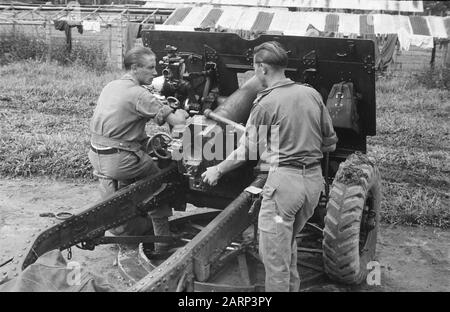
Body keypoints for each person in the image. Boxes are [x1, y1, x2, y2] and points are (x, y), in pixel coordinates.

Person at [201, 41, 337, 291]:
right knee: (286, 246)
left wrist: (217, 169)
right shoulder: (311, 94)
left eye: (255, 69)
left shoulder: (265, 103)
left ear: (262, 68)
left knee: (273, 260)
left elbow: (247, 151)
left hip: (284, 189)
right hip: (312, 185)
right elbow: (330, 143)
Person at [88, 46, 188, 253]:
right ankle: (163, 240)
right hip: (120, 160)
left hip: (97, 155)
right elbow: (178, 123)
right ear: (135, 68)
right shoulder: (139, 94)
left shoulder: (112, 85)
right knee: (158, 184)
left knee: (124, 190)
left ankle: (131, 231)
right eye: (150, 68)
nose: (155, 73)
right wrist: (185, 109)